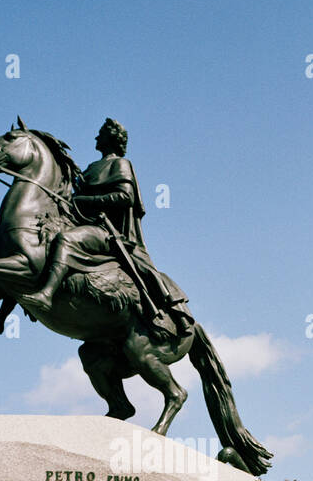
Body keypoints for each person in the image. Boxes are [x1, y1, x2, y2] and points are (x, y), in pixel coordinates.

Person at [23, 118, 194, 336]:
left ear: (111, 139)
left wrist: (87, 201)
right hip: (85, 225)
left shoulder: (120, 164)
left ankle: (46, 293)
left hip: (107, 231)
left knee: (66, 240)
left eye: (100, 134)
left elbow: (125, 196)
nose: (96, 137)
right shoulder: (91, 168)